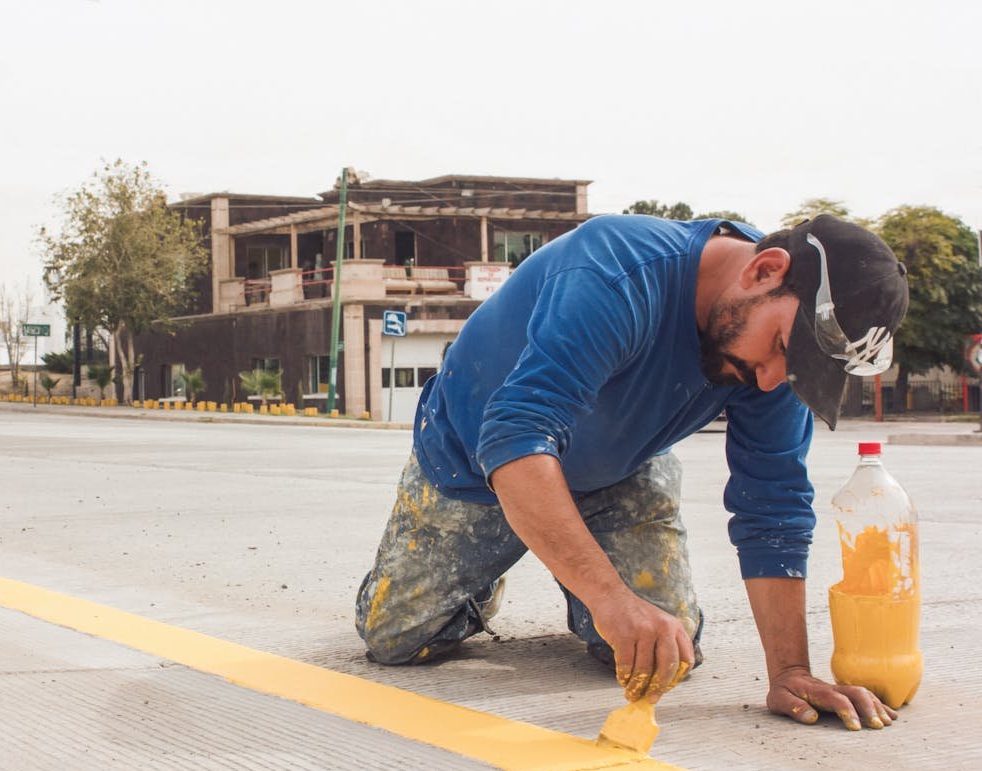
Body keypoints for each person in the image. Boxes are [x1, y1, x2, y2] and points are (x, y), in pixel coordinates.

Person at [355, 213, 909, 732]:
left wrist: (791, 671)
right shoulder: (617, 272)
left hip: (616, 473)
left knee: (666, 651)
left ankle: (579, 573)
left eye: (795, 373)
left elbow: (773, 504)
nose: (770, 382)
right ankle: (516, 563)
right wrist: (612, 600)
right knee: (398, 638)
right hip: (475, 458)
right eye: (781, 348)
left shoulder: (774, 365)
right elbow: (515, 437)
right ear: (764, 271)